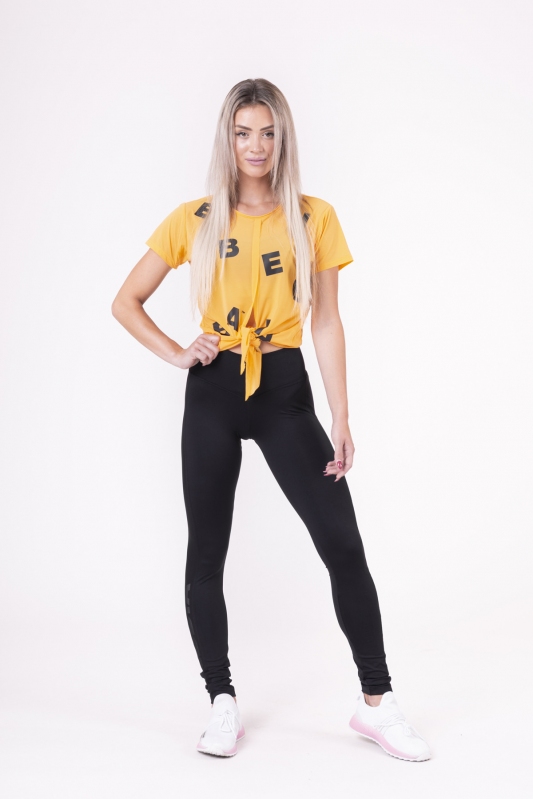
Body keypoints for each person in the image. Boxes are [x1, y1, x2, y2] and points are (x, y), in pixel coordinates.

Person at [111, 78, 431, 762]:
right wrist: (178, 351)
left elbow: (326, 319)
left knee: (342, 543)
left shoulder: (313, 217)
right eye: (242, 132)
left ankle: (376, 702)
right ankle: (220, 699)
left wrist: (341, 415)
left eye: (267, 132)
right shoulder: (195, 218)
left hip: (284, 389)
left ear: (283, 138)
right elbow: (126, 300)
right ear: (226, 140)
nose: (255, 146)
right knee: (206, 553)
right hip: (213, 390)